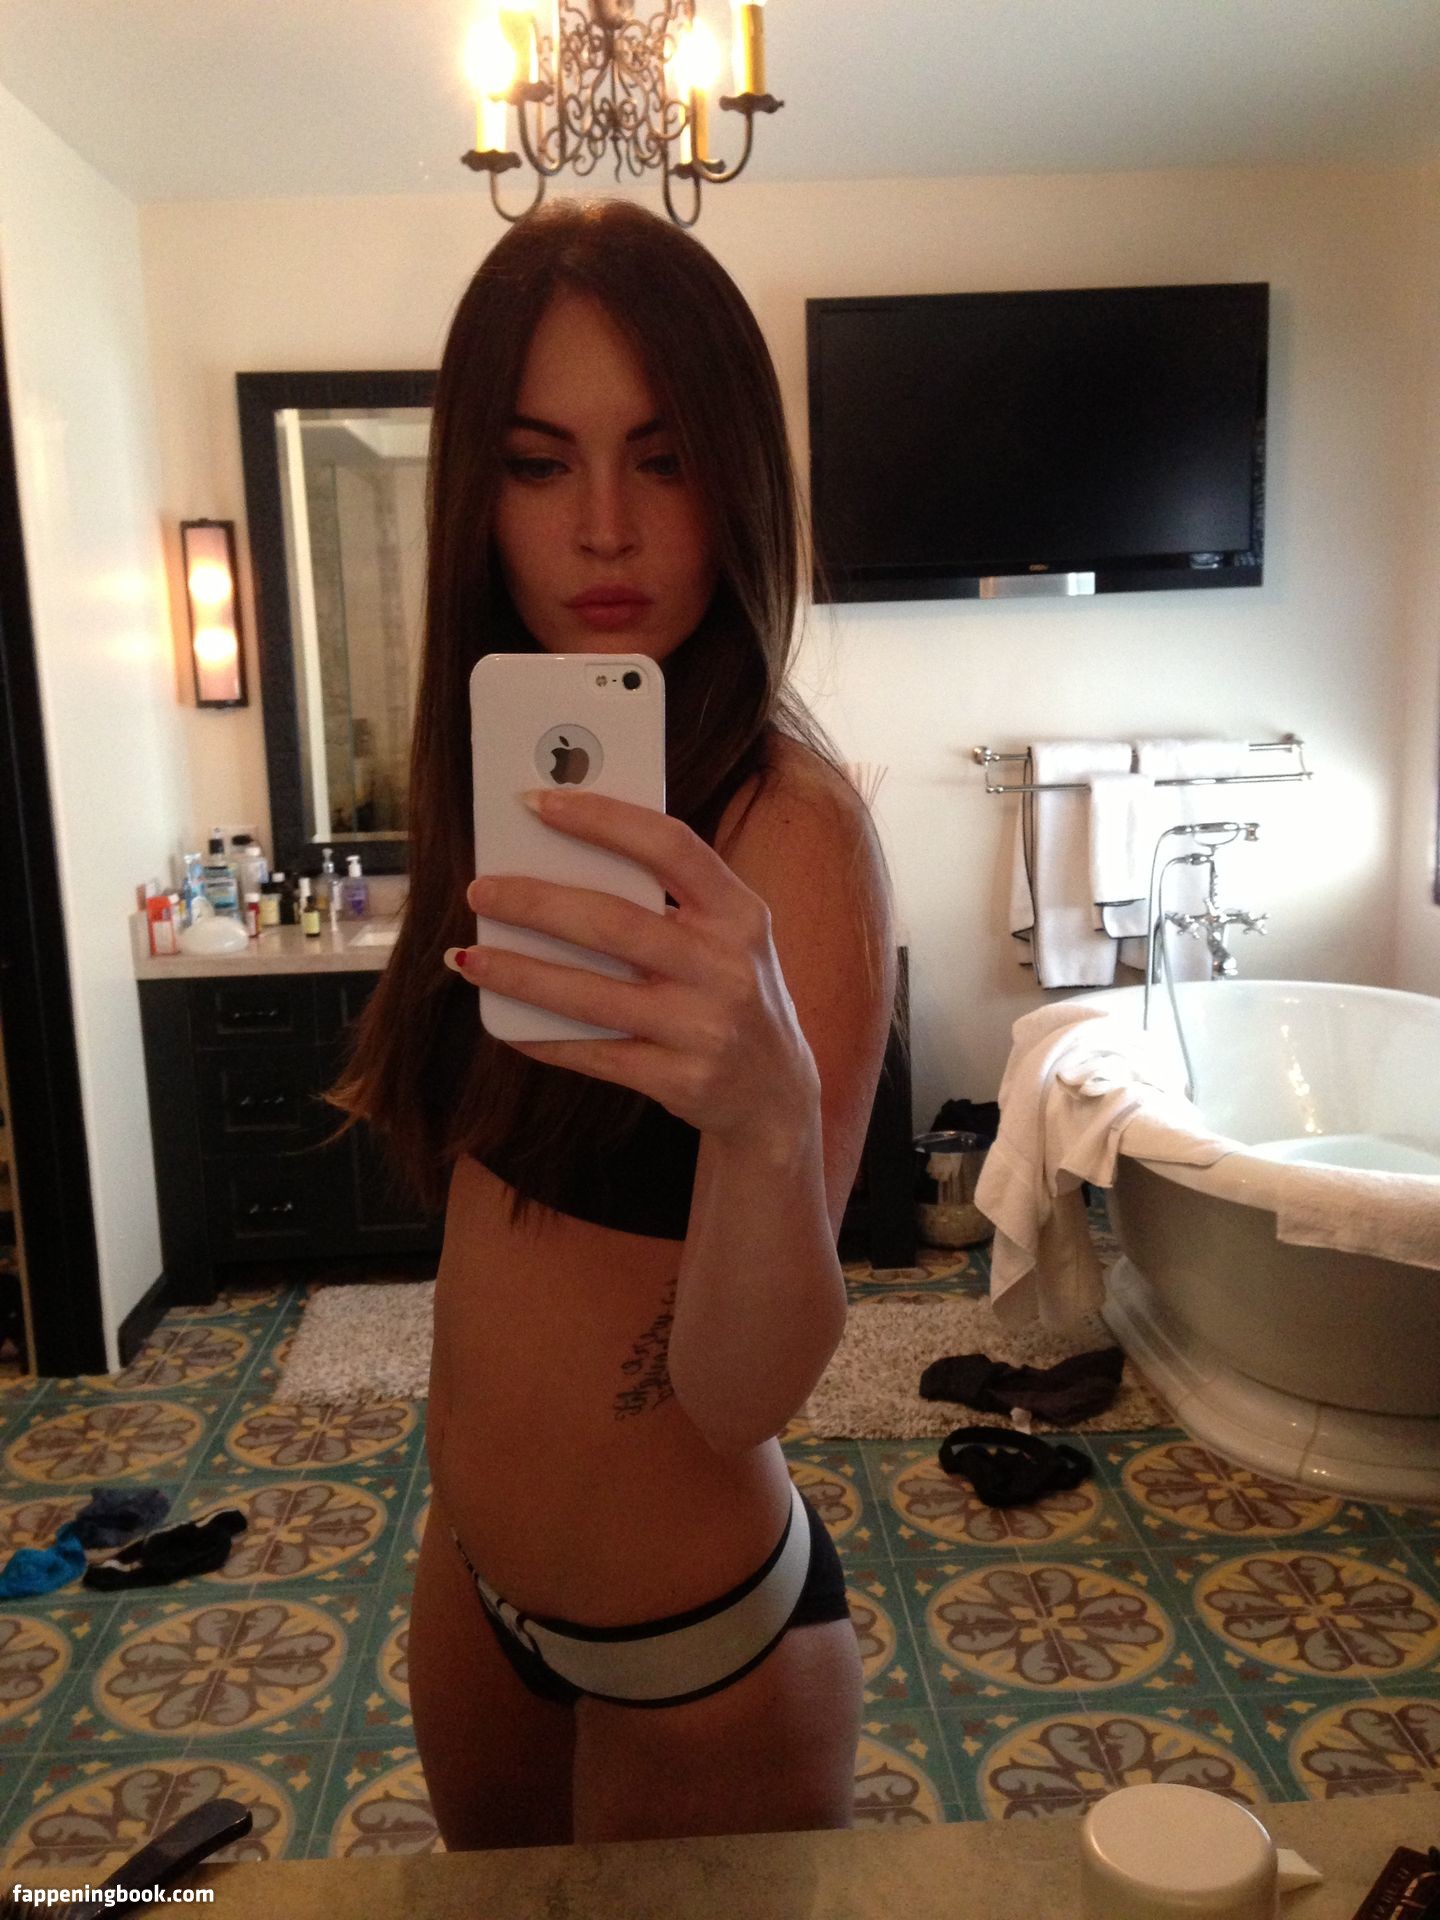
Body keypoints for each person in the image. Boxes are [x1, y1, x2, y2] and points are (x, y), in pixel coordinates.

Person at [327, 196, 900, 1851]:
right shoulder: (506, 784)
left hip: (691, 1649)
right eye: (536, 462)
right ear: (477, 496)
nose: (600, 529)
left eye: (663, 458)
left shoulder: (787, 829)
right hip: (473, 1587)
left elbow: (744, 1391)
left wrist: (766, 1120)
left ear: (737, 481)